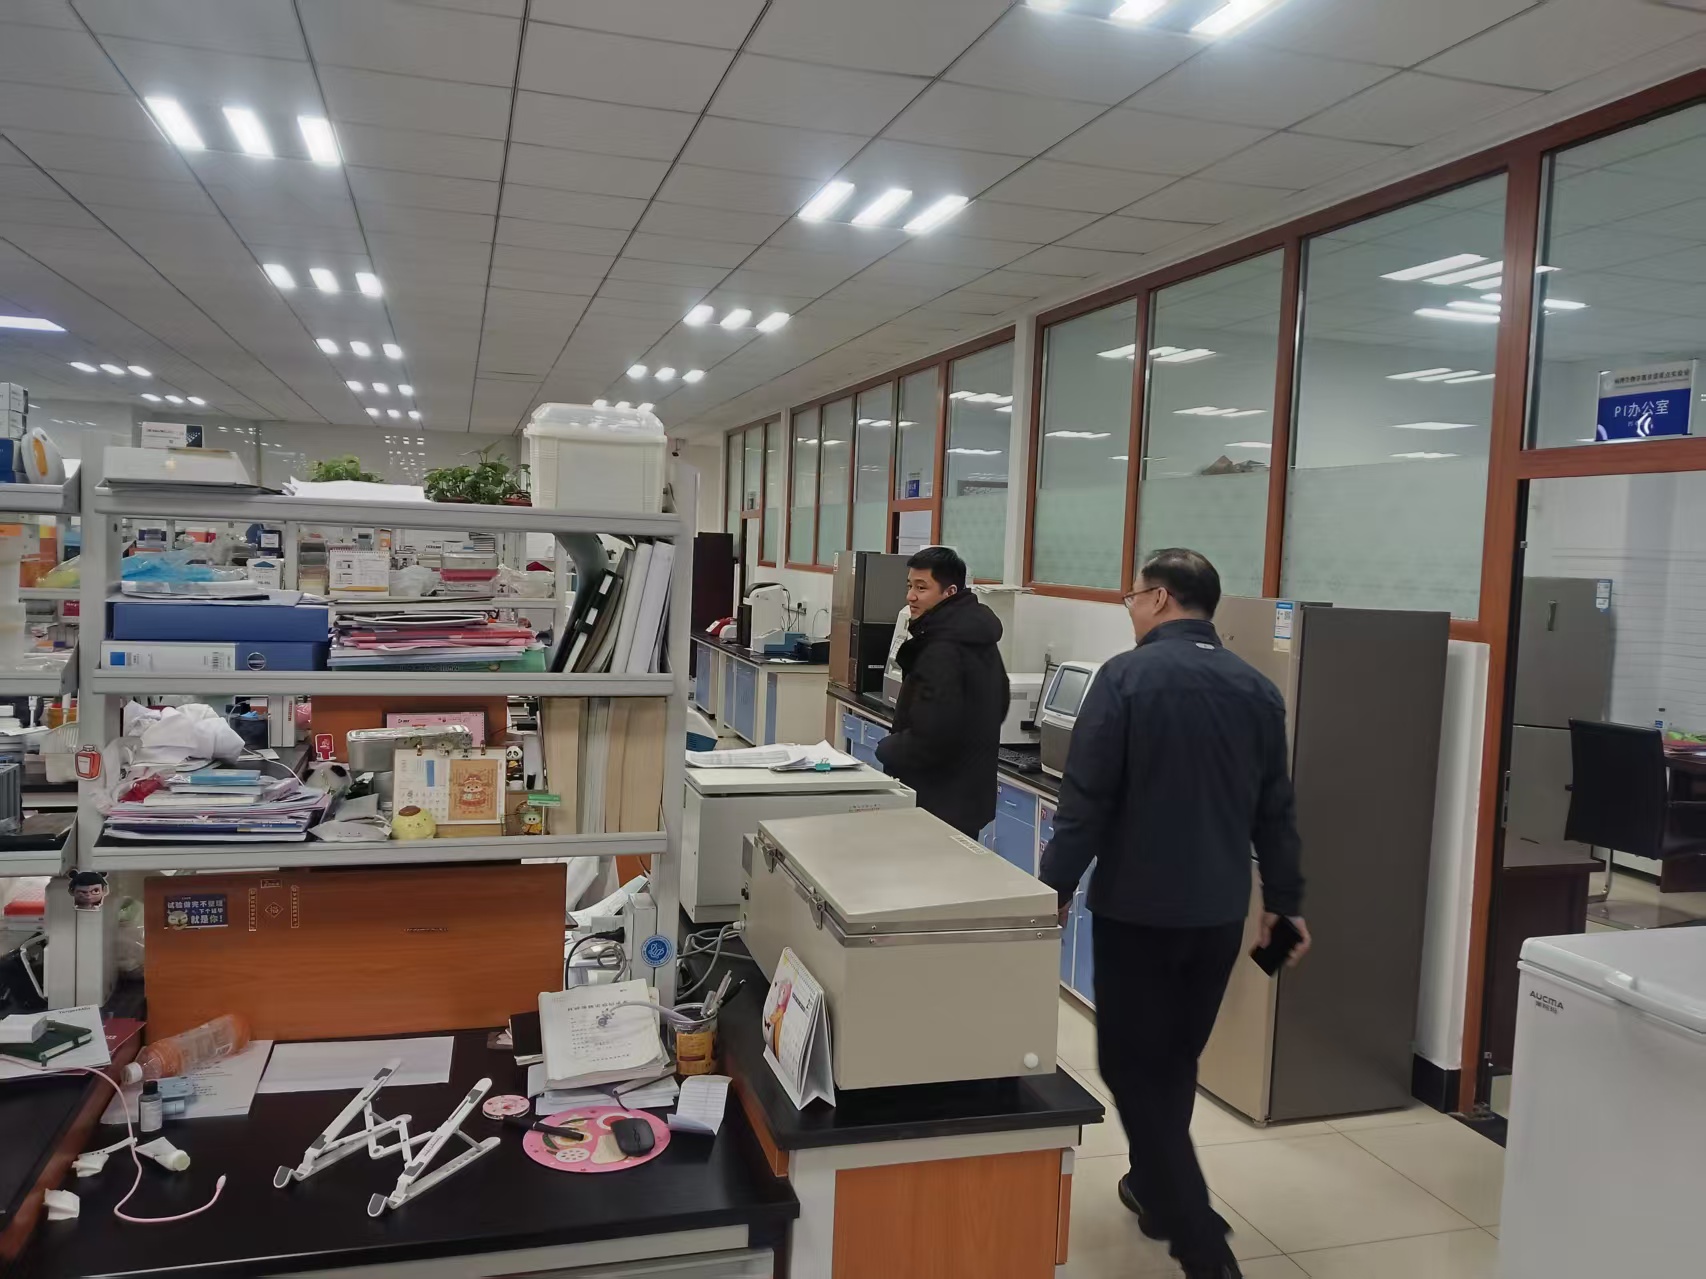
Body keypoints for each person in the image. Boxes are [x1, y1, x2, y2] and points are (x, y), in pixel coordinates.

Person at [1039, 548, 1309, 1279]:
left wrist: (1053, 888)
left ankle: (1202, 1244)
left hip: (1139, 911)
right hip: (1218, 913)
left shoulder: (1124, 678)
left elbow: (1086, 801)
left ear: (1159, 598)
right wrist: (1284, 903)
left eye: (1132, 596)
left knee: (1131, 1066)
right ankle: (1157, 1195)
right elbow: (1275, 810)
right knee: (1173, 1059)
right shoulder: (1257, 689)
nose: (1130, 608)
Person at [874, 546, 1009, 839]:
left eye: (921, 588)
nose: (910, 596)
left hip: (937, 800)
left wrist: (887, 749)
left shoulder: (944, 648)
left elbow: (931, 736)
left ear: (950, 592)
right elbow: (1000, 705)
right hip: (966, 797)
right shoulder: (977, 636)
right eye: (910, 586)